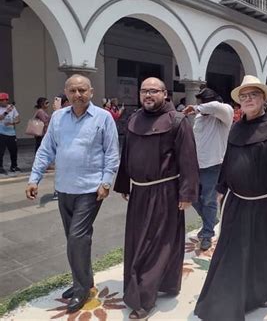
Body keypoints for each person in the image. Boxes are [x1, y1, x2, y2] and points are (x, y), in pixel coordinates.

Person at [194, 75, 267, 321]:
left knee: (264, 250)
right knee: (233, 250)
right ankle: (228, 293)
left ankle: (262, 291)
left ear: (263, 98)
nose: (248, 99)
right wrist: (221, 188)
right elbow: (229, 161)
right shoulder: (237, 128)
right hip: (238, 202)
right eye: (244, 96)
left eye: (253, 95)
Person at [25, 74, 120, 313]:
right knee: (75, 239)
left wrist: (106, 183)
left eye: (83, 90)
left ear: (91, 92)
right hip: (64, 188)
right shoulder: (57, 118)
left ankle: (81, 289)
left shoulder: (103, 118)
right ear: (66, 93)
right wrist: (34, 178)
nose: (78, 95)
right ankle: (84, 280)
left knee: (77, 237)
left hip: (91, 189)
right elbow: (46, 149)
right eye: (73, 91)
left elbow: (112, 153)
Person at [113, 77, 199, 319]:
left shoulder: (178, 121)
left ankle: (143, 298)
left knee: (158, 244)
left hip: (165, 193)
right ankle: (159, 284)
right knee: (137, 240)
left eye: (153, 91)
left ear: (165, 94)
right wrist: (124, 183)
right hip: (139, 191)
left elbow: (189, 160)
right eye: (144, 91)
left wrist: (187, 193)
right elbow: (126, 153)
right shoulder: (134, 119)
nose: (148, 95)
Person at [183, 87, 233, 250]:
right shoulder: (200, 117)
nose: (201, 105)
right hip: (195, 165)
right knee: (193, 198)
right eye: (200, 102)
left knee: (209, 200)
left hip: (214, 165)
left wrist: (196, 107)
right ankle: (210, 221)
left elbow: (218, 107)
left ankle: (207, 233)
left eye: (204, 102)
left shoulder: (224, 114)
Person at [0, 92, 21, 174]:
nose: (3, 101)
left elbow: (18, 119)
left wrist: (12, 123)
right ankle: (0, 167)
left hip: (11, 133)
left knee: (14, 150)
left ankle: (14, 166)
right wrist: (6, 112)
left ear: (7, 100)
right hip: (1, 133)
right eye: (1, 100)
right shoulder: (6, 109)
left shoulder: (13, 108)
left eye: (5, 100)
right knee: (1, 151)